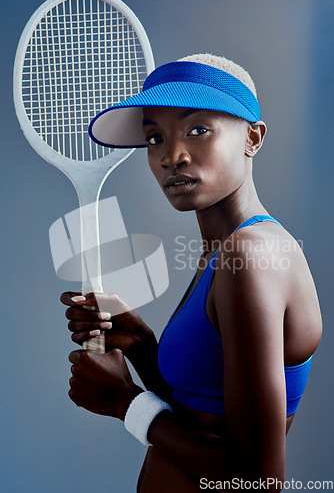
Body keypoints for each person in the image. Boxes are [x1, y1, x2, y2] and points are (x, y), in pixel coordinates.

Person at [61, 54, 322, 492]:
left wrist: (127, 405)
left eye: (198, 130)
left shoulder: (251, 256)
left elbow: (257, 482)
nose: (171, 156)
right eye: (154, 138)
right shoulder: (224, 250)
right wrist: (140, 341)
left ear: (252, 138)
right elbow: (201, 412)